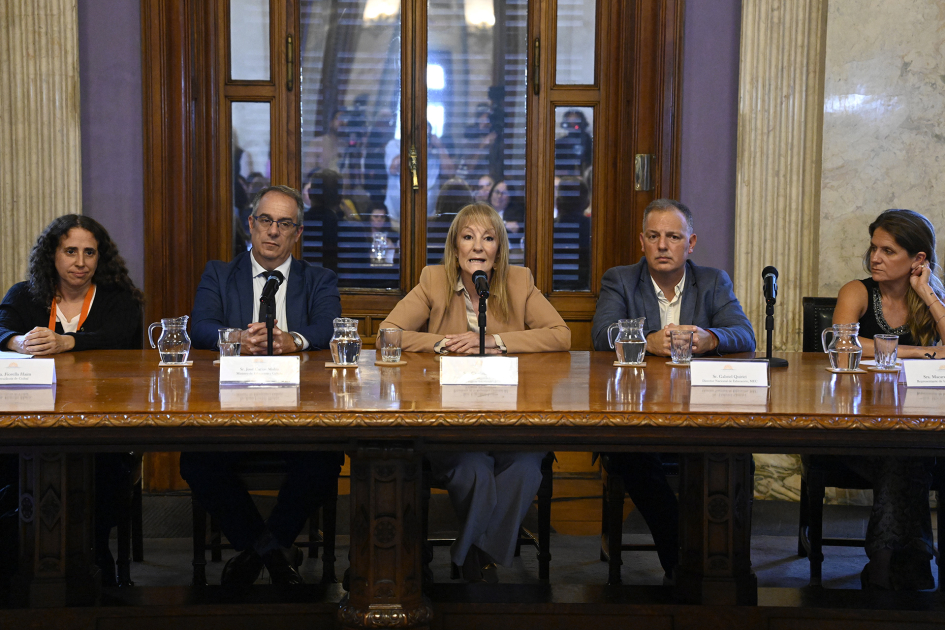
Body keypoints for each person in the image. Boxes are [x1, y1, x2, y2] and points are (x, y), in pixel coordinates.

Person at [379, 203, 570, 582]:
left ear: (499, 251)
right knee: (473, 468)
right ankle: (479, 561)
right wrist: (445, 345)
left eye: (488, 237)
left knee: (526, 468)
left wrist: (495, 341)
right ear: (455, 249)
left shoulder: (519, 281)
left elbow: (560, 335)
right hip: (450, 419)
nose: (477, 246)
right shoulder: (433, 280)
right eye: (468, 237)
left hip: (513, 418)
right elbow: (388, 333)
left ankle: (470, 552)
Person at [181, 185, 343, 586]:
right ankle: (272, 552)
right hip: (231, 411)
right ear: (251, 226)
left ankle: (257, 553)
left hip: (299, 413)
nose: (273, 231)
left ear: (297, 233)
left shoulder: (319, 279)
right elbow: (199, 326)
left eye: (284, 223)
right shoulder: (220, 274)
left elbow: (328, 327)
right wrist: (238, 337)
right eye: (266, 221)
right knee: (196, 460)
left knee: (326, 458)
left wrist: (294, 340)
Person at [590, 198, 755, 582]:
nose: (663, 246)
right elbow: (601, 335)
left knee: (734, 457)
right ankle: (682, 561)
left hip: (698, 411)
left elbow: (743, 333)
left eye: (674, 237)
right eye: (654, 236)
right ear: (642, 241)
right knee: (632, 457)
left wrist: (709, 338)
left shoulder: (714, 281)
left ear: (691, 243)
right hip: (637, 411)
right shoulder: (620, 279)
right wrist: (646, 341)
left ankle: (723, 561)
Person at [0, 214, 144, 587]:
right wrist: (16, 342)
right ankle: (24, 562)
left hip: (103, 423)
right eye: (70, 251)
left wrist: (69, 341)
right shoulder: (24, 295)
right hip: (32, 423)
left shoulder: (119, 299)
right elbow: (1, 328)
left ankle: (95, 555)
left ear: (101, 258)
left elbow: (121, 335)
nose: (80, 262)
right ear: (52, 255)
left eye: (89, 252)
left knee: (105, 477)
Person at [832, 208, 945, 590]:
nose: (875, 258)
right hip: (857, 429)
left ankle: (881, 567)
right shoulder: (858, 290)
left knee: (906, 454)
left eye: (888, 250)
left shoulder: (932, 298)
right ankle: (913, 562)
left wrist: (927, 293)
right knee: (905, 456)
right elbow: (843, 341)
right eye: (874, 248)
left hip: (919, 430)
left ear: (918, 260)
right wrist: (917, 351)